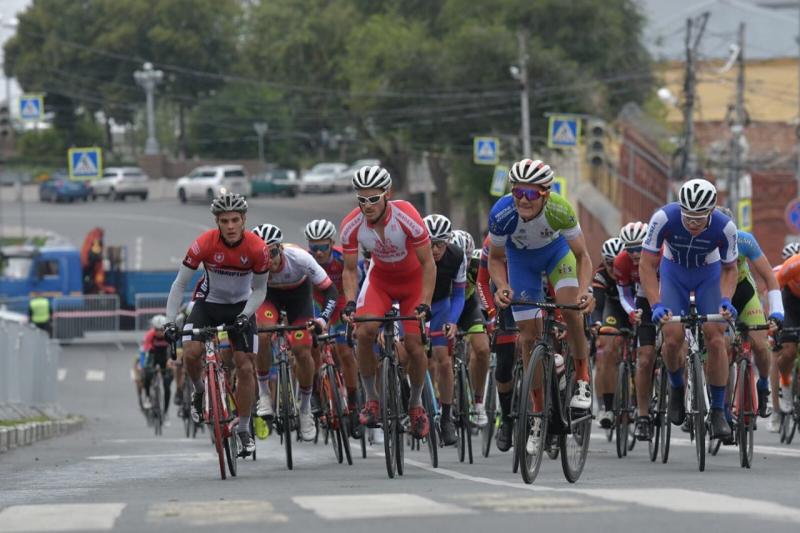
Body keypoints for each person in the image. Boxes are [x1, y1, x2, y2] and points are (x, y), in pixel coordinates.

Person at [487, 158, 594, 457]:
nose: (523, 199)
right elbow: (495, 260)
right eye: (517, 192)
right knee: (527, 336)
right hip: (521, 262)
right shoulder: (502, 213)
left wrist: (584, 290)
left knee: (570, 308)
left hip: (557, 255)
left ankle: (583, 378)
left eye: (531, 194)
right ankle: (536, 413)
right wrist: (502, 286)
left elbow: (583, 256)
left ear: (545, 193)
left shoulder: (560, 209)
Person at [163, 192, 269, 457]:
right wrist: (168, 322)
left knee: (245, 366)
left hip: (241, 308)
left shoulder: (257, 248)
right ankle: (199, 391)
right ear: (217, 222)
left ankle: (243, 428)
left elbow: (260, 290)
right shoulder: (204, 244)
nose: (230, 226)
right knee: (190, 352)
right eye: (224, 221)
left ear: (244, 220)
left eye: (235, 220)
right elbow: (179, 285)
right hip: (207, 304)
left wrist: (246, 314)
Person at [339, 165, 436, 439]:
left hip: (413, 283)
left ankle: (416, 405)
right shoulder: (350, 224)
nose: (366, 205)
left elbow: (428, 264)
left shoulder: (406, 215)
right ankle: (372, 399)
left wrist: (425, 303)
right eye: (361, 199)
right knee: (365, 331)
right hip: (380, 280)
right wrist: (349, 302)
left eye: (373, 198)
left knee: (415, 346)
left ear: (387, 194)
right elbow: (349, 269)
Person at [639, 178, 738, 440]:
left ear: (711, 212)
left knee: (716, 337)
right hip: (674, 273)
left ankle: (717, 410)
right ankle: (676, 386)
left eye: (699, 218)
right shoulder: (663, 218)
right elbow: (647, 266)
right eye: (688, 217)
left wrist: (726, 300)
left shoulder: (725, 227)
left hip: (709, 274)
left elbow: (730, 269)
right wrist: (655, 305)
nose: (693, 224)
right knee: (672, 339)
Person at [251, 223, 339, 442]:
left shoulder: (300, 258)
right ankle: (264, 395)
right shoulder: (251, 266)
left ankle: (306, 409)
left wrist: (322, 319)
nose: (268, 260)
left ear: (280, 249)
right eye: (261, 254)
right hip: (268, 297)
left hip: (298, 298)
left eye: (271, 252)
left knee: (302, 349)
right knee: (262, 334)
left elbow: (330, 290)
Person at [715, 206, 781, 421]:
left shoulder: (744, 240)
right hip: (715, 295)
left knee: (761, 345)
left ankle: (762, 385)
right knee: (720, 349)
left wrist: (777, 312)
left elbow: (770, 278)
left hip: (743, 293)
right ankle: (720, 408)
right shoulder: (703, 242)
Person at [304, 219, 362, 438]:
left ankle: (355, 403)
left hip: (339, 303)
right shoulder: (306, 261)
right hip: (316, 303)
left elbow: (356, 284)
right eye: (314, 247)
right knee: (311, 346)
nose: (318, 252)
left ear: (332, 243)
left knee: (345, 352)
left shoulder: (341, 258)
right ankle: (317, 392)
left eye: (323, 247)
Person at [424, 214, 467, 446]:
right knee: (409, 352)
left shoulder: (457, 256)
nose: (435, 249)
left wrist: (453, 320)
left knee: (444, 360)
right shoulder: (412, 254)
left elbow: (459, 294)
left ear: (449, 241)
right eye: (430, 244)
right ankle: (412, 403)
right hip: (415, 303)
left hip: (441, 305)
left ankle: (447, 417)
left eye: (440, 244)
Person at [452, 229, 491, 428]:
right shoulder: (438, 261)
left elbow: (487, 289)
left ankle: (478, 402)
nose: (463, 264)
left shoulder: (477, 263)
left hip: (468, 307)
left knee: (483, 349)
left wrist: (491, 315)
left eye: (466, 258)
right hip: (444, 308)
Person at [590, 237, 626, 430]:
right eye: (609, 263)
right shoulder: (601, 275)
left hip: (633, 308)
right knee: (607, 346)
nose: (613, 268)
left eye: (616, 262)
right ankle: (608, 407)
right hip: (612, 309)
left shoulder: (631, 269)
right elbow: (598, 305)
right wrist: (596, 323)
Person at [141, 314, 173, 415]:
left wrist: (171, 362)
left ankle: (166, 411)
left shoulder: (168, 335)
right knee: (147, 375)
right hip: (153, 356)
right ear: (153, 328)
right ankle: (147, 397)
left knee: (167, 385)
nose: (159, 332)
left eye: (161, 329)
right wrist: (145, 366)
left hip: (165, 357)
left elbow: (173, 350)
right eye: (157, 329)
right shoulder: (150, 335)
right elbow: (145, 351)